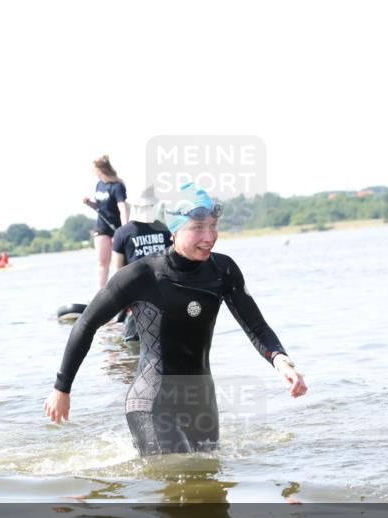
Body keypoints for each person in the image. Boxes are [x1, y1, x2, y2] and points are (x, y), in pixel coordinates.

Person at [45, 183, 308, 456]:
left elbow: (256, 325)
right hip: (151, 401)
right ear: (174, 229)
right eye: (198, 228)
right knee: (180, 469)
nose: (209, 236)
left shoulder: (223, 270)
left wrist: (281, 362)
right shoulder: (141, 275)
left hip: (201, 401)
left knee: (208, 477)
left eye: (213, 226)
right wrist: (62, 388)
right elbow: (86, 323)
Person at [112, 185, 172, 341]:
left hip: (138, 295)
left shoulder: (121, 233)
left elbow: (118, 272)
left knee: (130, 339)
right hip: (163, 293)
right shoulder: (164, 229)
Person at [81, 155, 129, 290]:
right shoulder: (99, 185)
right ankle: (101, 292)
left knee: (118, 262)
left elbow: (123, 208)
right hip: (102, 227)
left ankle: (120, 289)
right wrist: (89, 203)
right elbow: (100, 207)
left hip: (116, 227)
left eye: (94, 169)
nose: (93, 172)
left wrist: (124, 229)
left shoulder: (117, 186)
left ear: (100, 169)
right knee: (102, 261)